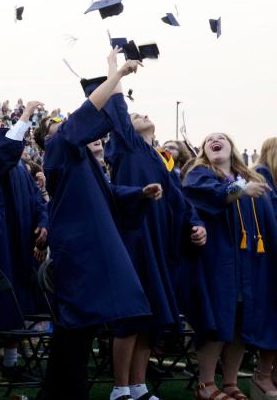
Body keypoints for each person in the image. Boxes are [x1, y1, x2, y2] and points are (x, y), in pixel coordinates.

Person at [34, 49, 151, 400]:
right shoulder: (57, 148)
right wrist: (114, 74)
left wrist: (139, 193)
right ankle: (65, 392)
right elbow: (87, 113)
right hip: (80, 248)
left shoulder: (83, 160)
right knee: (75, 325)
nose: (67, 125)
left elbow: (109, 195)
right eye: (58, 123)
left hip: (91, 245)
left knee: (80, 327)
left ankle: (64, 392)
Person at [101, 68, 207, 400]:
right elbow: (117, 108)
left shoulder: (162, 160)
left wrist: (196, 225)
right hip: (134, 240)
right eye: (134, 115)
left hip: (159, 245)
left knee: (152, 316)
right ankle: (119, 389)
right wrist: (115, 69)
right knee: (132, 315)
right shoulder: (125, 145)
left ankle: (138, 385)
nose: (140, 114)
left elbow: (180, 202)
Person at [183, 133, 277, 400]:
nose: (215, 139)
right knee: (217, 319)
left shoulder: (250, 178)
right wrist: (239, 190)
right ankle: (206, 384)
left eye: (221, 137)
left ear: (231, 147)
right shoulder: (200, 173)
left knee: (238, 321)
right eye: (209, 139)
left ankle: (231, 383)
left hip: (248, 262)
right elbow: (201, 197)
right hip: (216, 260)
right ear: (204, 150)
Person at [0, 100, 48, 379]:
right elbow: (6, 147)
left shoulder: (20, 168)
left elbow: (38, 203)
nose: (0, 123)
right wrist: (26, 115)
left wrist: (43, 225)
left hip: (21, 245)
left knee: (17, 301)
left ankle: (11, 362)